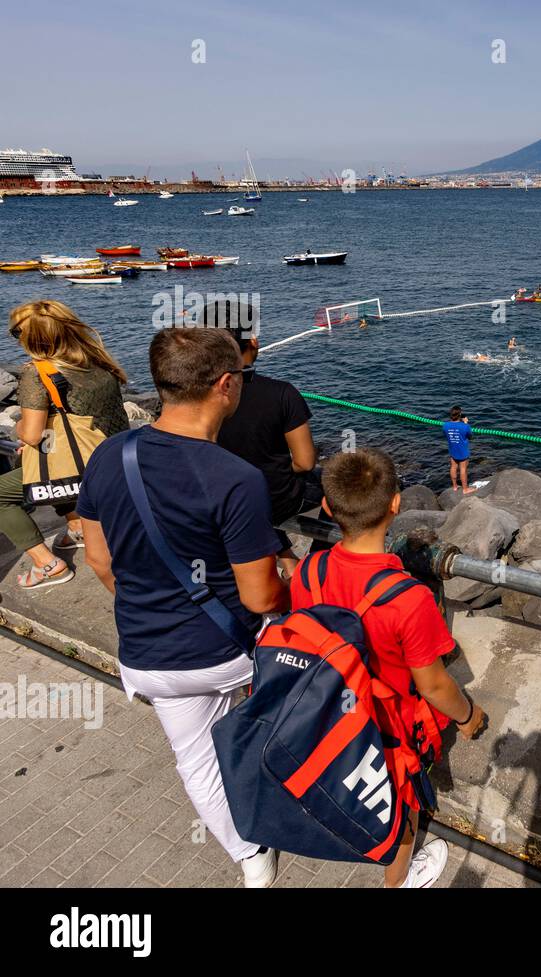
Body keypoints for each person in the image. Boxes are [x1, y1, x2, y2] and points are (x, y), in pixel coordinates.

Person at [77, 327, 287, 887]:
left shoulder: (108, 456)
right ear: (225, 385)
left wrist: (153, 606)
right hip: (226, 656)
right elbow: (261, 598)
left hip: (147, 661)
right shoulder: (235, 479)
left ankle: (250, 858)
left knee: (194, 760)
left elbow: (99, 559)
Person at [300, 448, 487, 887]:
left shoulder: (311, 569)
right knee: (400, 806)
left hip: (332, 716)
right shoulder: (408, 598)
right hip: (386, 727)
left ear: (328, 507)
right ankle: (398, 878)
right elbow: (435, 684)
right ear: (396, 504)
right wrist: (468, 715)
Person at [2, 301, 129, 589]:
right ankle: (78, 526)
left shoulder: (39, 373)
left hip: (85, 466)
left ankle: (48, 565)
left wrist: (21, 428)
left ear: (31, 337)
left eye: (15, 333)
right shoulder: (95, 358)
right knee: (45, 456)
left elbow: (32, 434)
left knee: (2, 492)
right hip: (113, 455)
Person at [209, 298, 319, 578]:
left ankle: (284, 553)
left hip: (224, 498)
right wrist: (279, 467)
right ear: (253, 342)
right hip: (278, 499)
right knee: (334, 488)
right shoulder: (282, 393)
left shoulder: (198, 397)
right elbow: (305, 463)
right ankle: (315, 562)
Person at [444, 405, 473, 494]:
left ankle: (455, 486)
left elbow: (447, 435)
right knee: (463, 469)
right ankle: (465, 489)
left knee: (453, 467)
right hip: (462, 451)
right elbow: (470, 437)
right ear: (460, 415)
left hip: (453, 450)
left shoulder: (445, 425)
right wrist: (466, 423)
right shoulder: (465, 426)